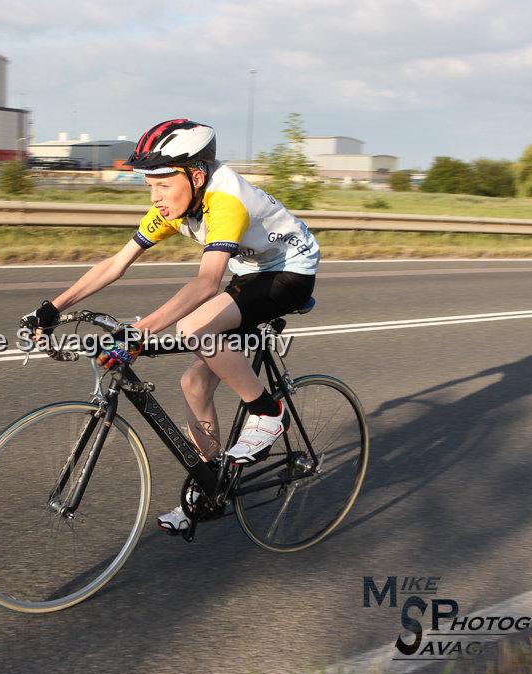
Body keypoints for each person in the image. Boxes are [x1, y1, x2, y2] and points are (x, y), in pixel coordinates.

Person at [22, 119, 319, 534]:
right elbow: (116, 263)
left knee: (194, 327)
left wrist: (139, 332)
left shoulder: (225, 201)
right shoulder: (174, 204)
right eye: (149, 186)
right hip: (250, 270)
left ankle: (268, 412)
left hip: (289, 271)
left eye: (163, 184)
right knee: (193, 384)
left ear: (196, 176)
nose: (155, 196)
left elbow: (206, 282)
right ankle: (210, 480)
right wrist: (52, 308)